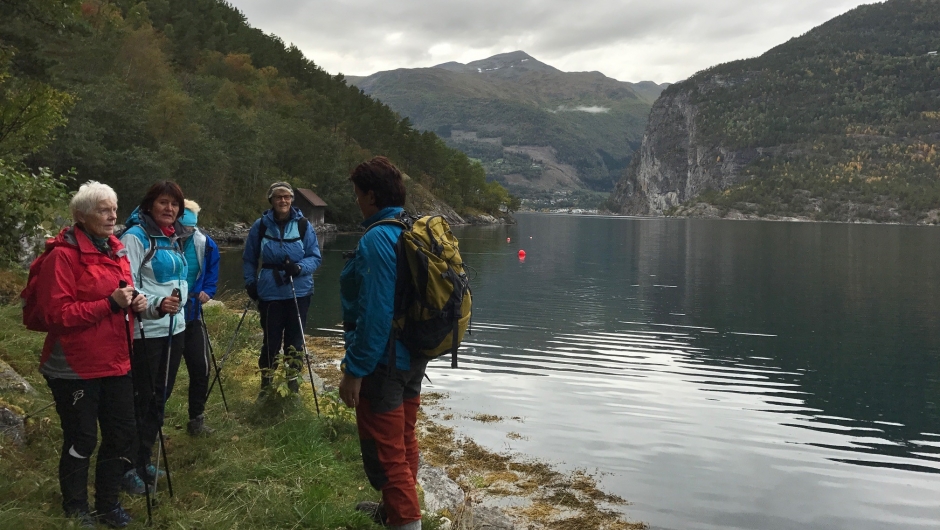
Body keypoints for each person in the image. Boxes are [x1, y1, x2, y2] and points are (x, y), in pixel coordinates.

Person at [35, 181, 154, 528]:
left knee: (122, 434)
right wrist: (108, 305)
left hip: (117, 360)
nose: (113, 215)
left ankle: (108, 503)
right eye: (104, 209)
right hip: (73, 365)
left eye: (114, 208)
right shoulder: (62, 256)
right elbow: (55, 315)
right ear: (81, 215)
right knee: (82, 437)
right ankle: (76, 506)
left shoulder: (116, 250)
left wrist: (136, 303)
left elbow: (122, 296)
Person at [339, 157, 426, 530]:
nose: (357, 202)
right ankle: (392, 512)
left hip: (384, 362)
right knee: (404, 439)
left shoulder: (377, 238)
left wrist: (354, 371)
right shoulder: (411, 228)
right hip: (414, 356)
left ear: (371, 196)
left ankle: (405, 521)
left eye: (358, 195)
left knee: (387, 454)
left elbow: (374, 314)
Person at [119, 181, 190, 490]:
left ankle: (144, 458)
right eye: (163, 202)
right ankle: (126, 467)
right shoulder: (135, 238)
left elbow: (182, 281)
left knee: (160, 397)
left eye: (174, 205)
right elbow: (129, 286)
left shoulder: (173, 238)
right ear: (149, 205)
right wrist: (159, 305)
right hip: (146, 332)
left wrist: (178, 302)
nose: (169, 209)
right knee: (141, 398)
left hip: (176, 329)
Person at [242, 182, 321, 397]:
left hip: (299, 290)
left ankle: (292, 387)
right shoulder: (260, 226)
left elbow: (315, 257)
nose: (283, 201)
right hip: (269, 291)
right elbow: (249, 259)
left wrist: (299, 267)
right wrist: (250, 283)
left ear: (292, 200)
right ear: (271, 200)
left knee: (295, 341)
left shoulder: (304, 225)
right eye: (278, 197)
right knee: (271, 340)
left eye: (287, 197)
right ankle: (266, 387)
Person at [178, 199, 220, 435]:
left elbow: (212, 268)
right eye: (185, 228)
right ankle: (151, 426)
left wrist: (209, 291)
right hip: (165, 319)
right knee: (164, 374)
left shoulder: (205, 243)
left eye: (192, 228)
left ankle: (197, 420)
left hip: (193, 315)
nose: (189, 232)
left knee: (201, 368)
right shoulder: (161, 242)